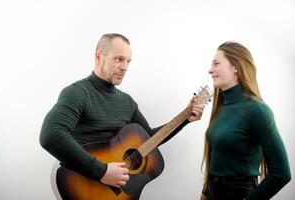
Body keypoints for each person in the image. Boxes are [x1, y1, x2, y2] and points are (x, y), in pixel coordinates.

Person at [40, 33, 204, 190]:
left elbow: (149, 140)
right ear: (98, 57)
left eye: (128, 61)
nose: (124, 67)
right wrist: (102, 171)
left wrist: (185, 118)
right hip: (84, 187)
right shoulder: (78, 93)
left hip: (118, 192)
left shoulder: (127, 102)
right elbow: (51, 134)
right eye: (118, 59)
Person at [200, 41, 291, 200]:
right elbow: (216, 163)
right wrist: (205, 194)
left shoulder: (257, 110)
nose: (210, 70)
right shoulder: (221, 108)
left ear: (235, 67)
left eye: (216, 63)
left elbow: (281, 174)